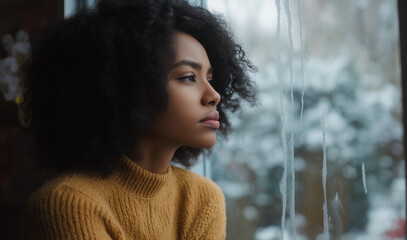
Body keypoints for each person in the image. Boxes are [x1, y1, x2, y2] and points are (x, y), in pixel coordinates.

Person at [20, 0, 257, 239]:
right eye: (188, 77)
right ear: (128, 87)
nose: (214, 96)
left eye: (209, 78)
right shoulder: (69, 204)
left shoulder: (202, 198)